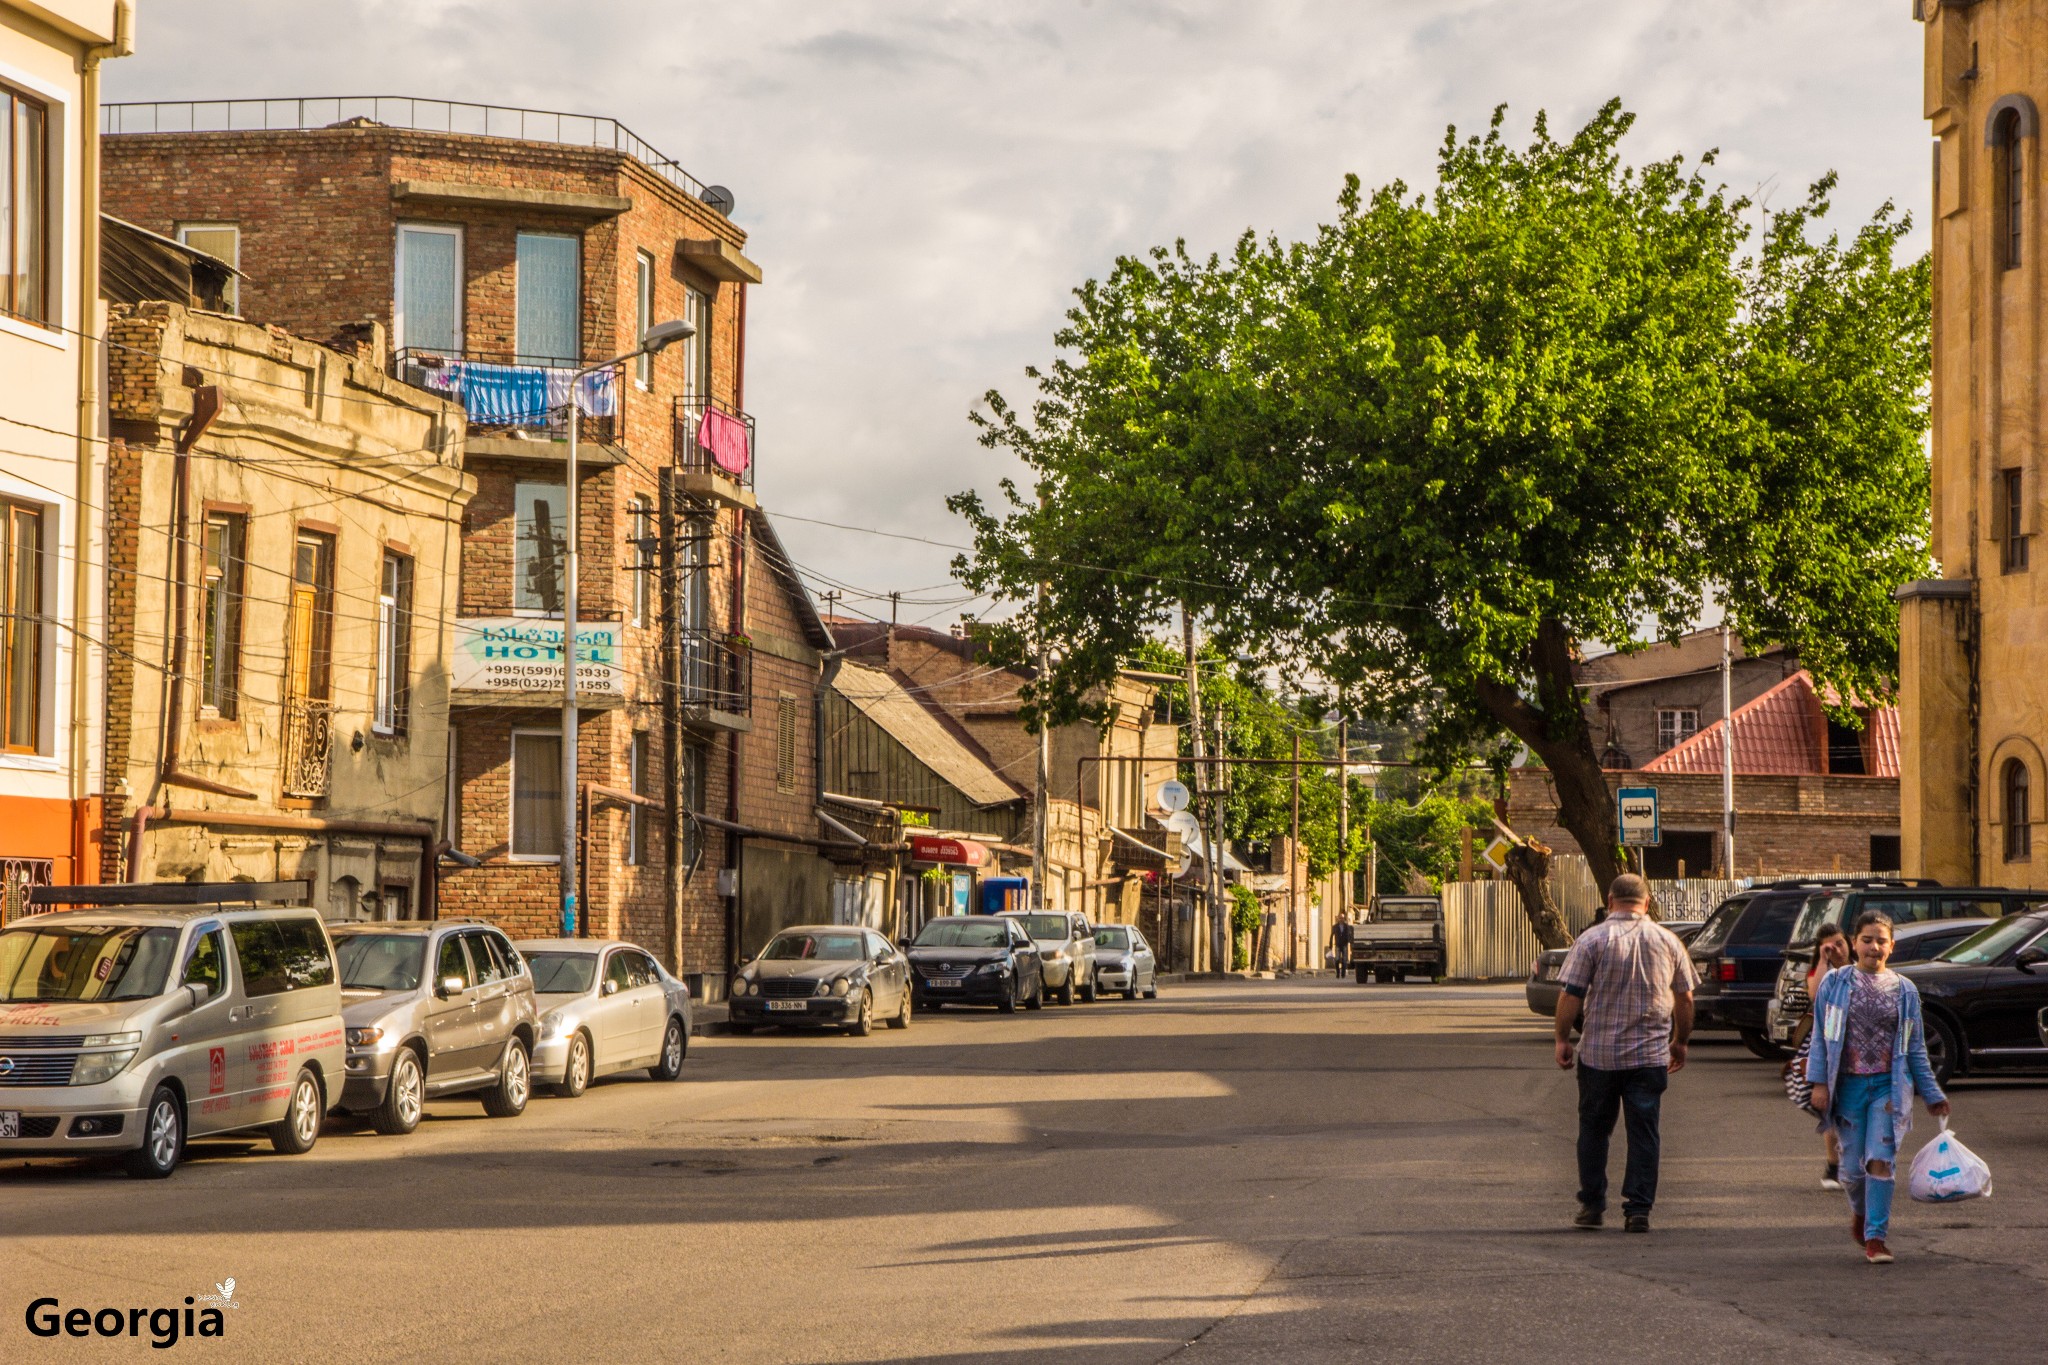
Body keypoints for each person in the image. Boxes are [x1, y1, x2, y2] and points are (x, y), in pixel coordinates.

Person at [1553, 873, 1697, 1234]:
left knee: (1594, 1129)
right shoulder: (1668, 941)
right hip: (1649, 1057)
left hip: (1599, 1056)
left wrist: (1561, 1039)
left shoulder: (1591, 940)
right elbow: (1685, 997)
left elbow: (1570, 994)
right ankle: (1638, 1210)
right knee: (1644, 1132)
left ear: (1609, 899)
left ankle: (1591, 1205)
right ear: (1646, 902)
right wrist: (1680, 1041)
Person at [1806, 910, 1950, 1265]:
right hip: (1849, 1087)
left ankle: (1876, 1237)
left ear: (1892, 946)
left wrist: (1932, 1093)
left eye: (1881, 941)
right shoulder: (1835, 983)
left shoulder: (1904, 991)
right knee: (1852, 1172)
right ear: (1854, 943)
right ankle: (1860, 1212)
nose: (1874, 947)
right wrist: (1819, 1082)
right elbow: (1821, 1038)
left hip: (1888, 1088)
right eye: (1867, 940)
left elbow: (1914, 1047)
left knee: (1880, 1162)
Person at [1786, 923, 1851, 1190]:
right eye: (1829, 946)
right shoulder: (1822, 971)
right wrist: (1824, 959)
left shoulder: (1862, 967)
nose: (1836, 949)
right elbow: (1815, 994)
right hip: (1825, 1044)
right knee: (1831, 1111)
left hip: (1857, 1047)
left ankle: (1857, 1165)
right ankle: (1833, 1166)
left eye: (1839, 943)